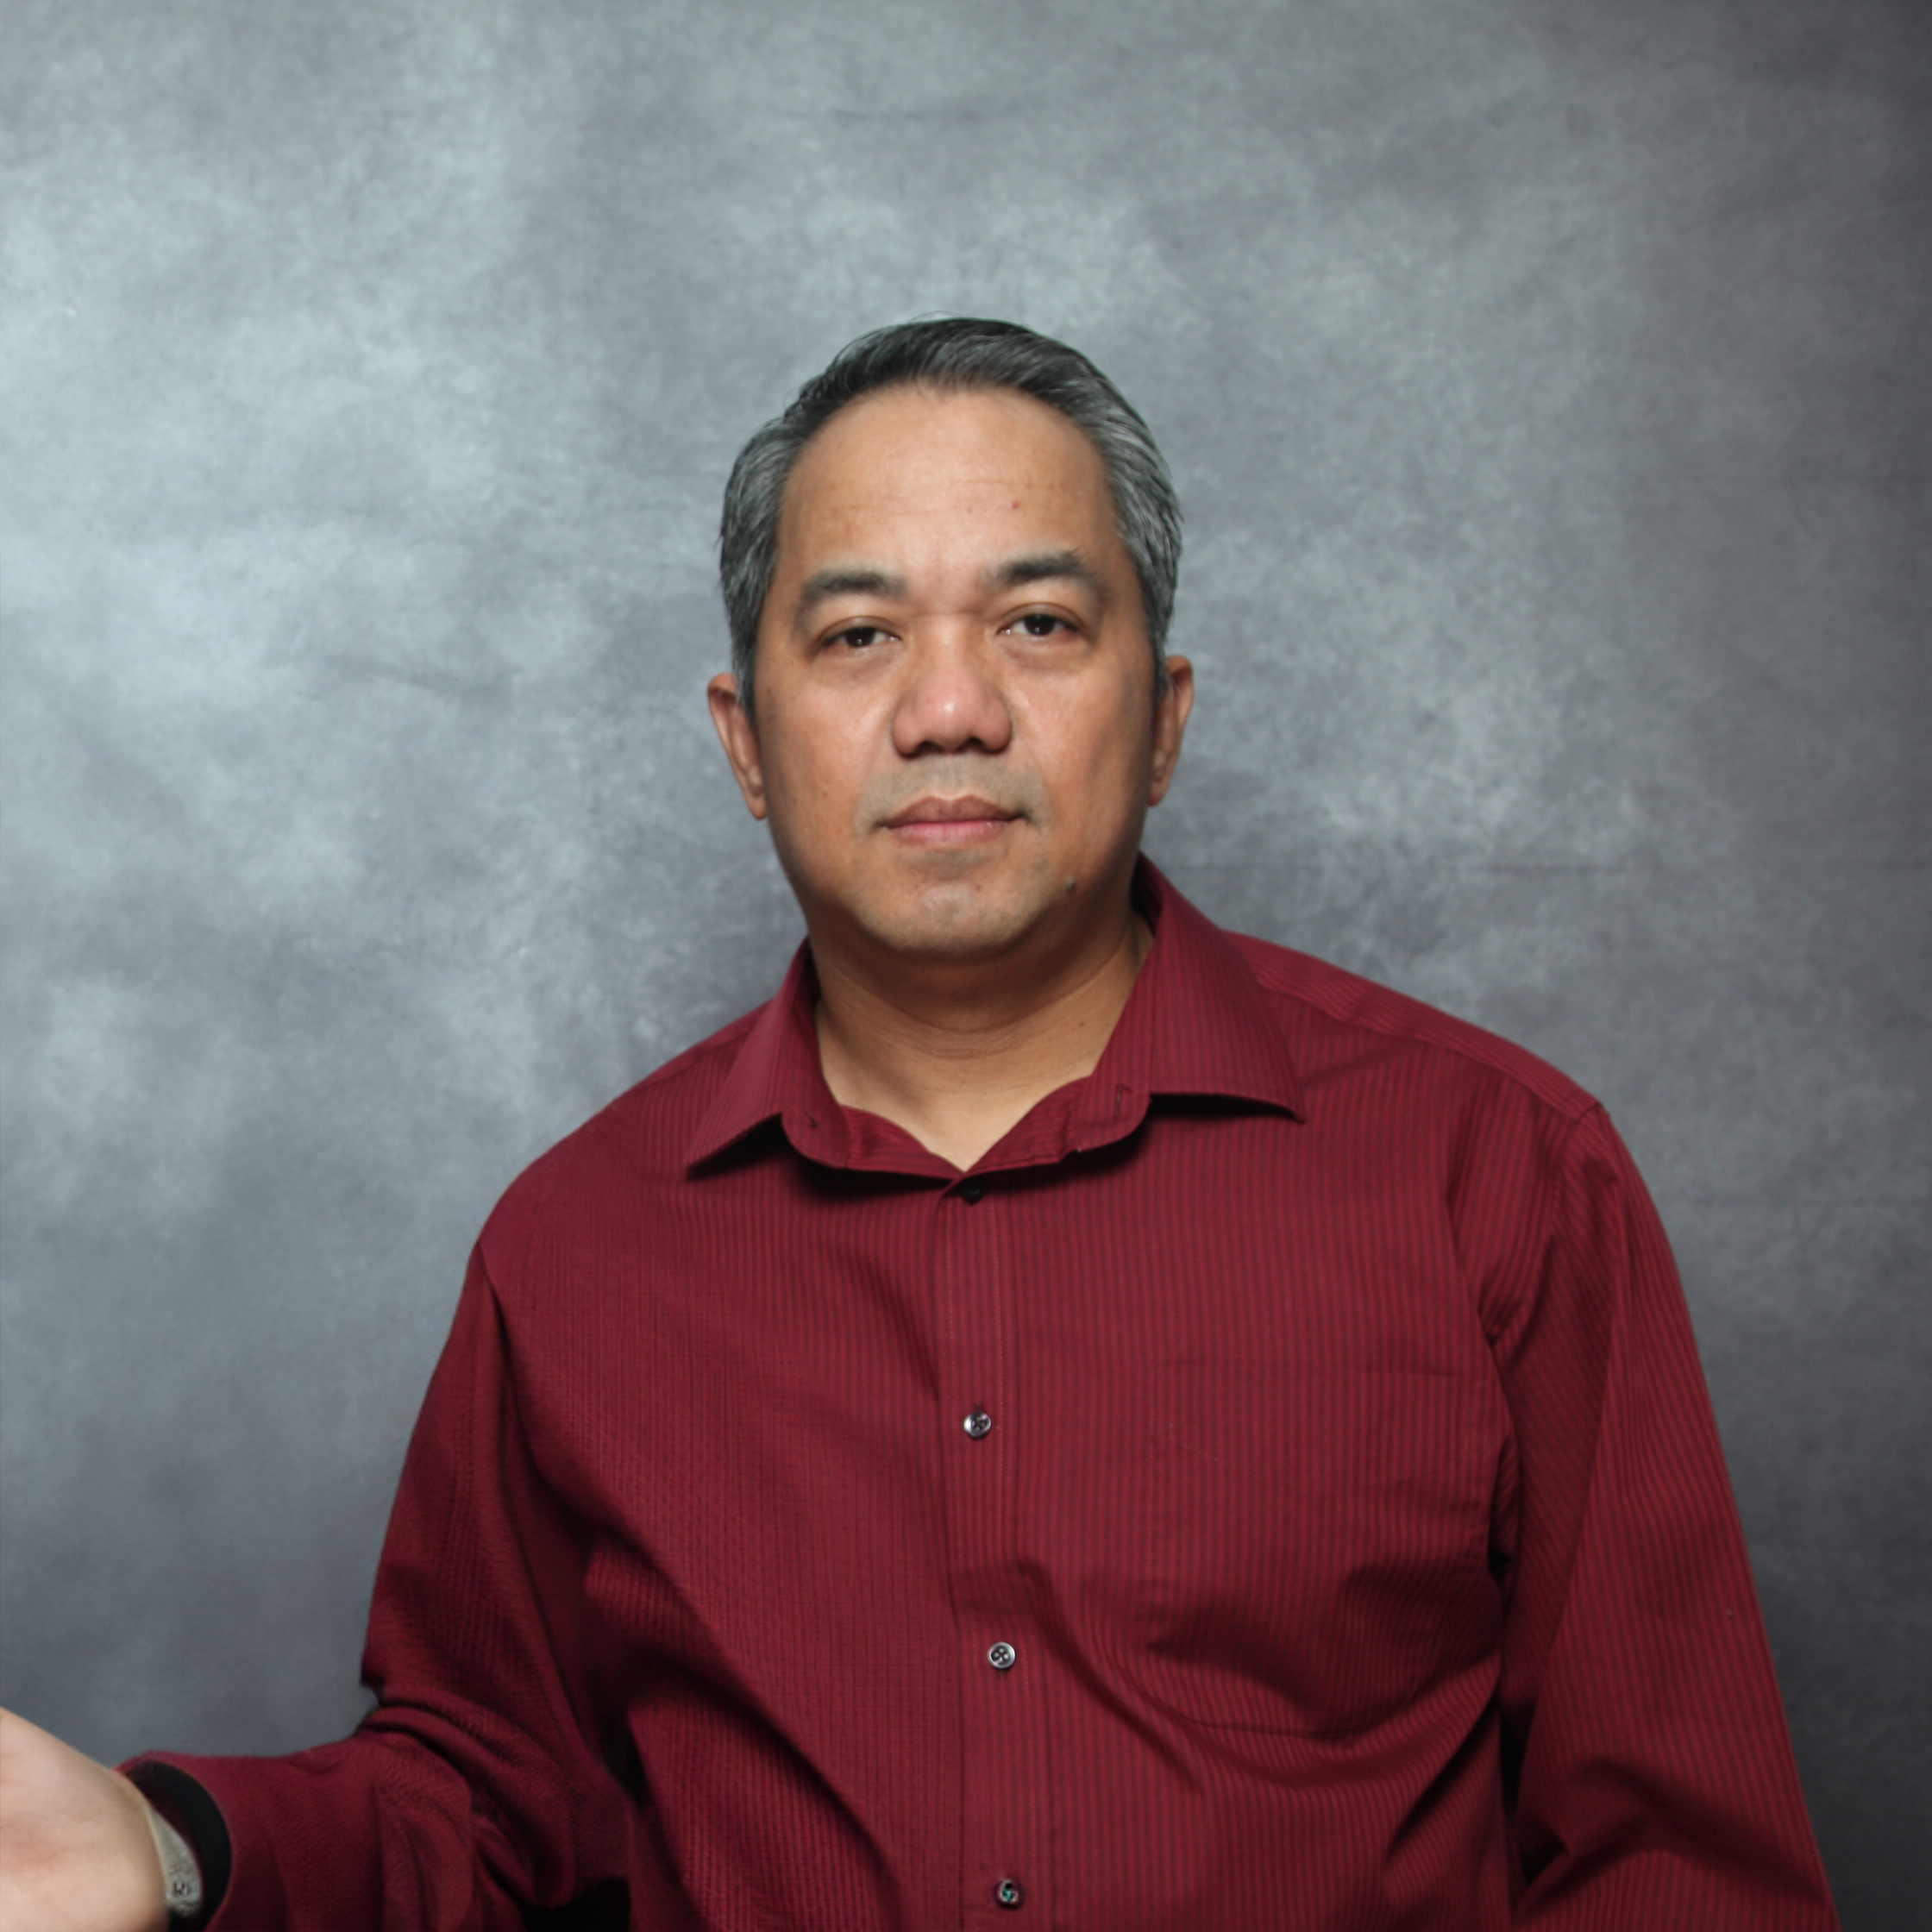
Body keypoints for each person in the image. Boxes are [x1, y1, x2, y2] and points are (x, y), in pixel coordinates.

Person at [0, 318, 1839, 1929]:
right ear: (745, 738)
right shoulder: (575, 1250)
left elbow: (1676, 1861)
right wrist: (171, 1855)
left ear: (1164, 716)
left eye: (1038, 623)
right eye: (860, 632)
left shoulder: (1496, 1175)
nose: (950, 710)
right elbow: (487, 1808)